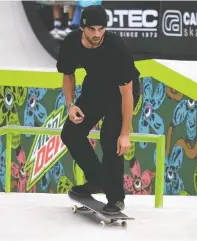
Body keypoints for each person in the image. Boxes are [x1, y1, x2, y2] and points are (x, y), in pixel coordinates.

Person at [57, 5, 140, 215]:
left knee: (110, 139)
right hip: (95, 88)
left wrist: (125, 133)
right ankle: (96, 181)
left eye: (101, 29)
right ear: (83, 28)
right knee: (70, 133)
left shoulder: (116, 47)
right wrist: (70, 105)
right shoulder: (71, 43)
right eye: (92, 29)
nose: (97, 34)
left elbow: (127, 93)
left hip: (121, 94)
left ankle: (116, 198)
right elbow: (68, 75)